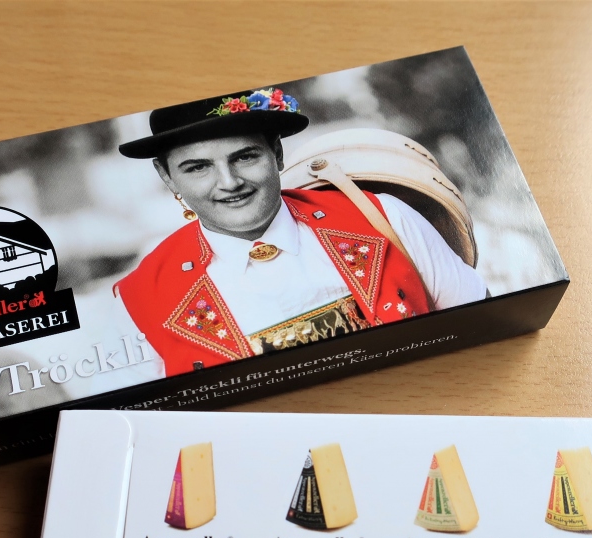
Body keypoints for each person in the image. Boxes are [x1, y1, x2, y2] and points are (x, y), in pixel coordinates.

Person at [114, 88, 486, 374]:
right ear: (167, 177)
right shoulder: (139, 297)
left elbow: (480, 330)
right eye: (198, 167)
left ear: (276, 154)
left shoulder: (381, 216)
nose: (229, 182)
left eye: (245, 156)